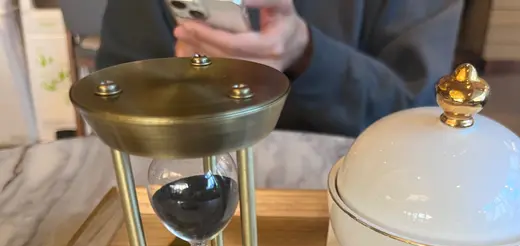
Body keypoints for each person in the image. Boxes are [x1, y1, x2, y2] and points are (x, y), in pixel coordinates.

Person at [97, 0, 463, 137]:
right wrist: (184, 84)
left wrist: (306, 53)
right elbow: (113, 105)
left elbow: (422, 121)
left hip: (361, 203)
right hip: (189, 194)